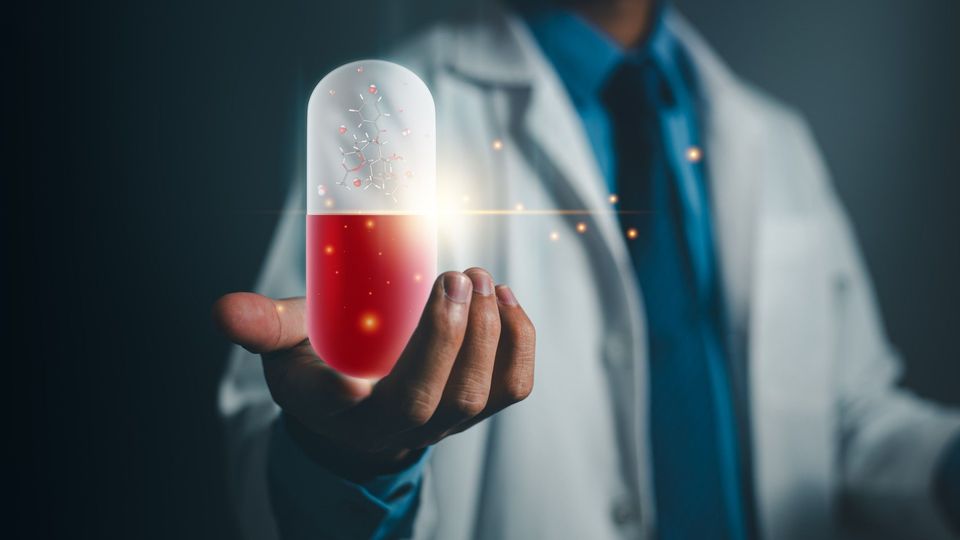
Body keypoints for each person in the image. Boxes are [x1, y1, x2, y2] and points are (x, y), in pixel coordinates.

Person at [213, 1, 960, 538]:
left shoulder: (776, 137)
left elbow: (851, 417)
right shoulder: (386, 114)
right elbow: (278, 467)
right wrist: (346, 461)